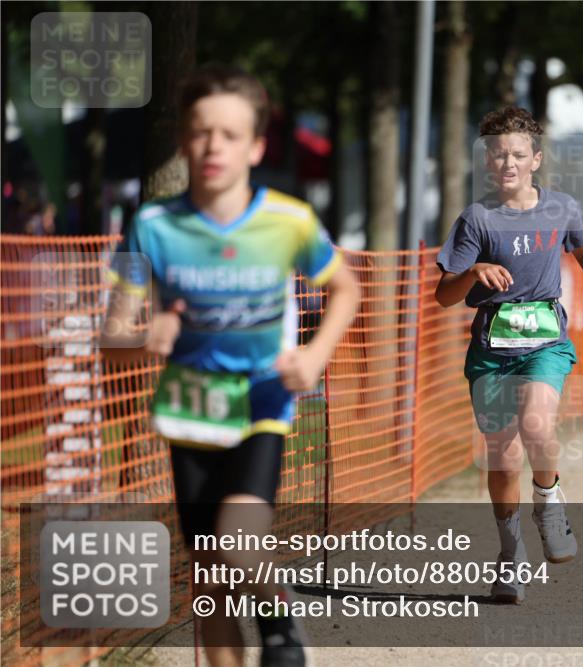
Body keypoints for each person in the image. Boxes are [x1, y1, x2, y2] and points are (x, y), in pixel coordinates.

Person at [101, 64, 360, 667]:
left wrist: (316, 355)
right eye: (199, 132)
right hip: (190, 414)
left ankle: (280, 629)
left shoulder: (289, 221)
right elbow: (110, 334)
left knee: (239, 538)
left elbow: (346, 289)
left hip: (261, 403)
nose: (213, 146)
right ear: (184, 141)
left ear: (256, 145)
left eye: (229, 134)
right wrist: (146, 338)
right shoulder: (151, 226)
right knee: (211, 586)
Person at [435, 106, 583, 604]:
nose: (508, 162)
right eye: (499, 154)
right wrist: (474, 272)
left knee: (538, 427)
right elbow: (443, 294)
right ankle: (510, 556)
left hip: (544, 344)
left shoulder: (562, 209)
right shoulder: (476, 219)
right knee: (501, 458)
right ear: (487, 162)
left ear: (536, 160)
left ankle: (548, 501)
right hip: (491, 350)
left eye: (518, 154)